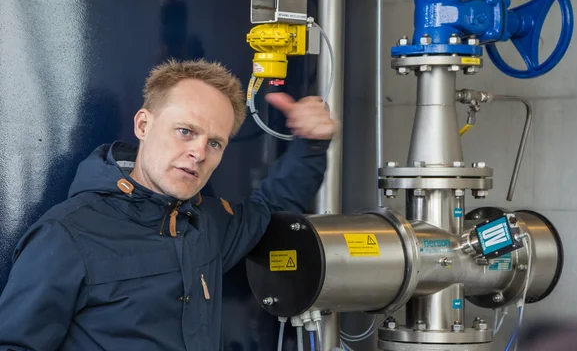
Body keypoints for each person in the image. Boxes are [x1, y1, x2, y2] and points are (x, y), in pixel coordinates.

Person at [0, 59, 337, 350]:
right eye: (185, 131)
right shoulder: (65, 236)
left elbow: (270, 205)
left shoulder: (208, 225)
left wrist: (312, 145)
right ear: (143, 125)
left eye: (215, 143)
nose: (199, 153)